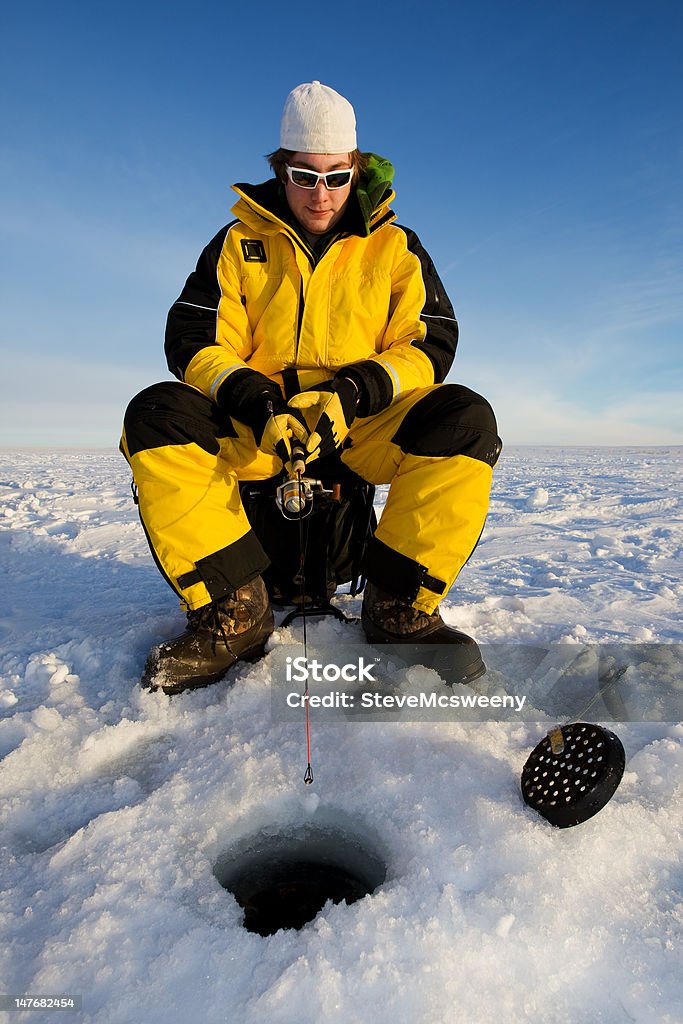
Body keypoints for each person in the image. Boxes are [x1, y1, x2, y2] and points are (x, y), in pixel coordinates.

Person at [121, 81, 501, 695]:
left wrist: (353, 395)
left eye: (336, 176)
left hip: (357, 428)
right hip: (265, 428)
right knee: (157, 413)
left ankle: (399, 607)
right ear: (281, 170)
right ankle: (232, 612)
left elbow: (430, 342)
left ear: (356, 171)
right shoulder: (235, 245)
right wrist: (256, 399)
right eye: (304, 175)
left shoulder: (396, 247)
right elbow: (193, 337)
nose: (320, 193)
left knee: (465, 418)